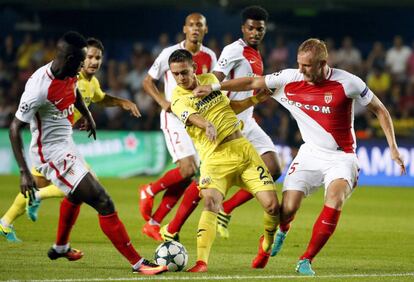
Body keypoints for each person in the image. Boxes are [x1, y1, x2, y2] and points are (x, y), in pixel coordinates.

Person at [193, 38, 406, 275]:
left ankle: (306, 259)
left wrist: (393, 148)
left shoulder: (348, 83)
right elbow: (253, 81)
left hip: (342, 157)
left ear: (323, 63)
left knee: (335, 198)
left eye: (307, 65)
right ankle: (280, 232)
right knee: (287, 209)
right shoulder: (290, 78)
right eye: (299, 64)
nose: (301, 70)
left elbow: (380, 109)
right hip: (309, 154)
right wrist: (215, 87)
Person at [6, 31, 167, 275]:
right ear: (69, 58)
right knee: (103, 200)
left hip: (67, 145)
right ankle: (138, 263)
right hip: (51, 154)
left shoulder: (69, 72)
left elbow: (76, 91)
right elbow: (15, 128)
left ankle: (61, 247)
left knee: (76, 195)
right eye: (81, 61)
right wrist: (22, 172)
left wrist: (88, 115)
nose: (83, 67)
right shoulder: (39, 88)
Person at [160, 5, 282, 243]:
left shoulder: (254, 52)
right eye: (251, 28)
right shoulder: (233, 50)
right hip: (229, 120)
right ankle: (173, 227)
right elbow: (214, 80)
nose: (255, 33)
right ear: (242, 29)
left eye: (260, 29)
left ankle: (224, 210)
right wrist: (198, 111)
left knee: (274, 169)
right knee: (206, 184)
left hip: (247, 119)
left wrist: (257, 97)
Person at [0, 37, 141, 243]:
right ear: (77, 59)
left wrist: (119, 104)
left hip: (63, 143)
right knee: (81, 185)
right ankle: (52, 234)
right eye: (89, 57)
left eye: (97, 58)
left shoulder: (89, 81)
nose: (92, 62)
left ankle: (5, 222)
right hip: (49, 145)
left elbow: (98, 98)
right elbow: (17, 125)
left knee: (40, 186)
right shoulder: (58, 80)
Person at [169, 49, 280, 272]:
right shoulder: (178, 99)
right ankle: (201, 262)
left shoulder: (210, 81)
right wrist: (207, 124)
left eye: (184, 72)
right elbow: (192, 117)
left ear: (194, 68)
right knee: (210, 202)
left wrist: (254, 99)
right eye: (176, 74)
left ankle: (266, 245)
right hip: (215, 159)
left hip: (243, 151)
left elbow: (229, 108)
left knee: (272, 206)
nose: (181, 78)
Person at [139, 13, 217, 241]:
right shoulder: (169, 54)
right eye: (191, 25)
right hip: (174, 118)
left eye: (199, 26)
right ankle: (149, 190)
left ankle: (154, 223)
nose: (195, 29)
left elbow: (208, 84)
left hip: (196, 120)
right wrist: (163, 102)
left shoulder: (210, 56)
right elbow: (147, 81)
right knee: (188, 169)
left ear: (205, 29)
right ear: (185, 29)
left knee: (189, 177)